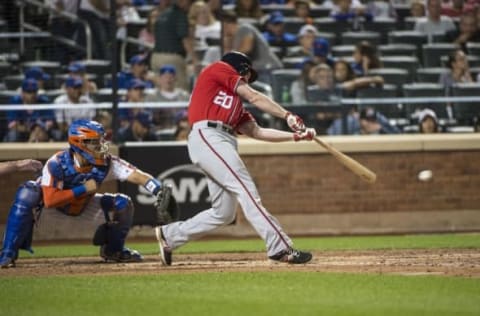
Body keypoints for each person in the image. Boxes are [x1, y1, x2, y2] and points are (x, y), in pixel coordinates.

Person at [155, 51, 316, 266]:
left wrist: (296, 136)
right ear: (240, 68)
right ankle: (280, 247)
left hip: (220, 139)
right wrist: (287, 115)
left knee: (223, 213)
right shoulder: (219, 68)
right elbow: (254, 96)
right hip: (209, 135)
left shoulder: (233, 105)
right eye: (247, 74)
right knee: (246, 190)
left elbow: (257, 132)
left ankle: (171, 235)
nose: (247, 80)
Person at [0, 119, 168, 268]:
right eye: (95, 142)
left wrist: (158, 190)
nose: (101, 146)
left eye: (101, 141)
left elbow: (139, 176)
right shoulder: (57, 163)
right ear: (79, 143)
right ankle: (7, 253)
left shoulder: (107, 162)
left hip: (82, 207)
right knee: (28, 192)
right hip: (49, 211)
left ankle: (113, 251)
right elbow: (50, 200)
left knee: (123, 204)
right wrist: (83, 188)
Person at [222, 10, 283, 83]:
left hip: (269, 70)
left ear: (226, 23)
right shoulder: (231, 37)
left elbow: (247, 49)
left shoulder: (244, 28)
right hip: (255, 72)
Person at [151, 0, 193, 91]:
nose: (190, 4)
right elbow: (185, 39)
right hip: (172, 59)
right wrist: (195, 59)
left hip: (156, 57)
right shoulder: (180, 15)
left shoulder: (163, 14)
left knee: (162, 90)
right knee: (181, 91)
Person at [145, 64, 190, 130]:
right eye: (165, 77)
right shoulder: (152, 97)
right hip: (158, 130)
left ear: (175, 78)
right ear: (160, 78)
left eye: (171, 77)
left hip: (180, 131)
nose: (168, 80)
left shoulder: (184, 96)